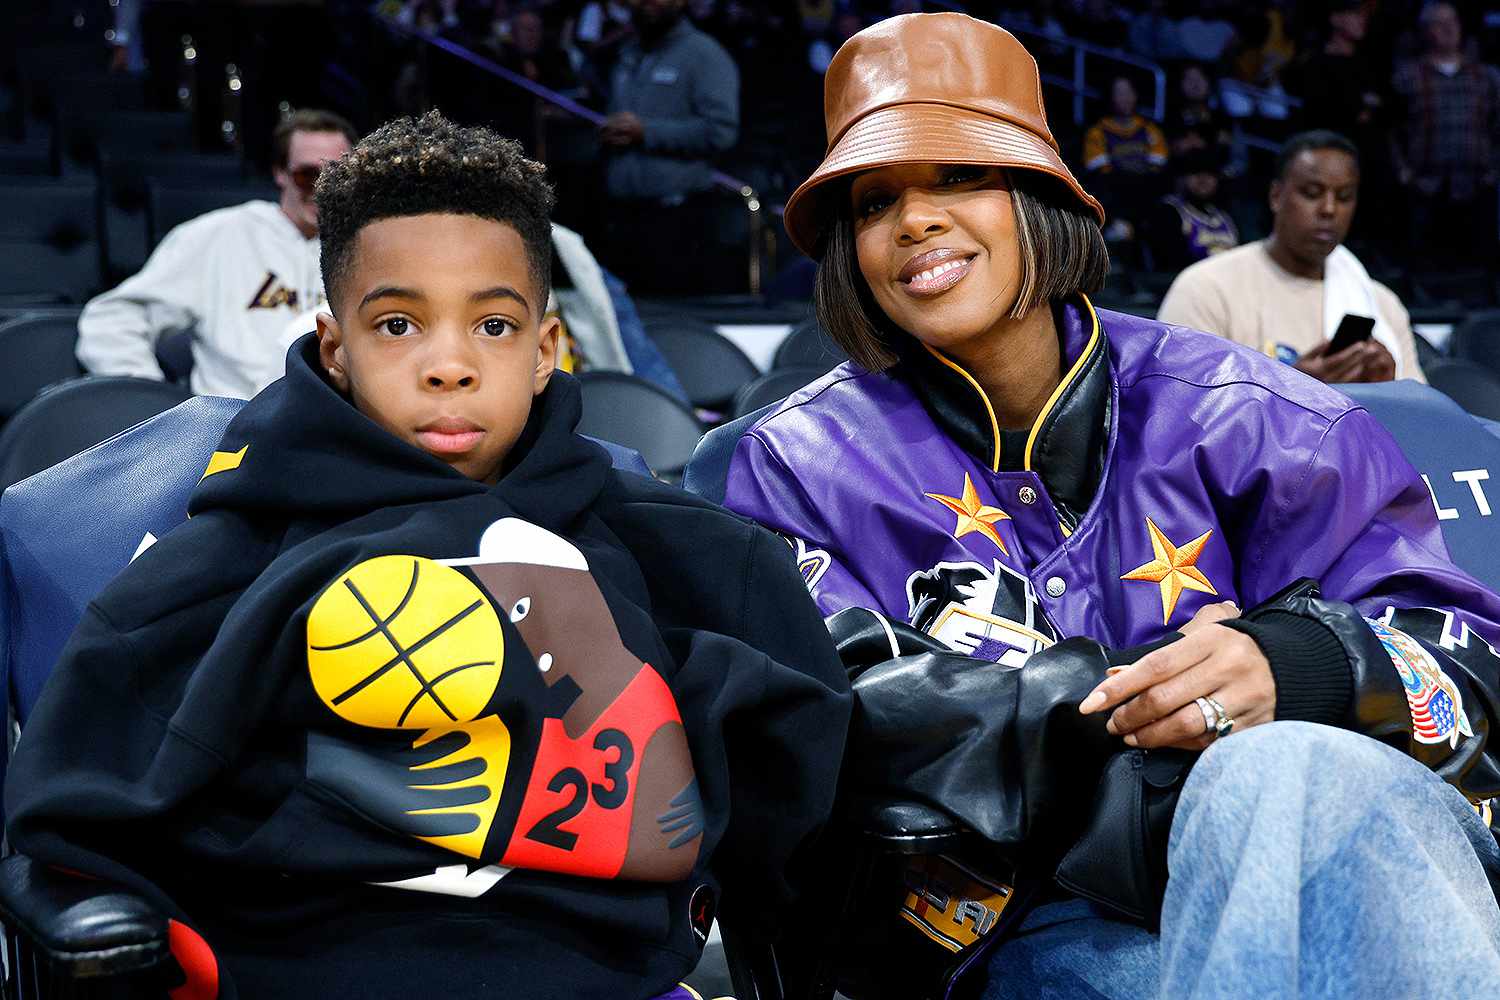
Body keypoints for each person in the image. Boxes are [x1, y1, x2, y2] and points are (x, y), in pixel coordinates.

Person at [720, 13, 1500, 998]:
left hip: (1328, 872)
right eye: (876, 203)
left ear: (1044, 196)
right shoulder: (794, 463)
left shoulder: (1255, 416)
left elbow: (1468, 661)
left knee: (1281, 777)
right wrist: (1148, 692)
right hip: (1017, 931)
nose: (915, 219)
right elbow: (820, 724)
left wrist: (1294, 664)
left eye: (960, 177)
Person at [6, 111, 848, 1000]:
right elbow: (74, 819)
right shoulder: (219, 559)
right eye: (399, 324)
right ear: (336, 349)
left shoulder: (681, 550)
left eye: (492, 326)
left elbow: (798, 824)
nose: (449, 364)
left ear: (545, 351)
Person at [75, 109, 357, 399]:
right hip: (231, 424)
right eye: (307, 175)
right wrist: (156, 405)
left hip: (330, 429)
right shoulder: (218, 235)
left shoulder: (363, 246)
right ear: (280, 173)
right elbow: (112, 320)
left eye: (335, 176)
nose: (321, 190)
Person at [1159, 130, 1425, 384]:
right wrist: (1296, 394)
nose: (1329, 209)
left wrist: (1386, 391)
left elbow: (1419, 418)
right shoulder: (1205, 288)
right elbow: (1181, 410)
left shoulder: (1382, 304)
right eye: (1312, 193)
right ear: (1276, 196)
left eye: (1344, 197)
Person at [597, 0, 739, 293]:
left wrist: (647, 132)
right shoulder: (626, 54)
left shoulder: (704, 54)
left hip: (676, 220)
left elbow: (721, 131)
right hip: (619, 217)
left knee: (670, 323)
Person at [1391, 1, 1500, 266]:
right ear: (1425, 31)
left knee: (1477, 266)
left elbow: (1497, 125)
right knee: (1429, 266)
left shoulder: (1486, 76)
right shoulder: (1407, 77)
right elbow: (1393, 130)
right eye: (1439, 23)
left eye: (1453, 22)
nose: (1449, 29)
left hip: (1477, 184)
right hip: (1426, 186)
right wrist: (1404, 171)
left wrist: (1494, 170)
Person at [1143, 148, 1238, 273]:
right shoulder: (1169, 211)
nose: (1203, 179)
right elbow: (1172, 262)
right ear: (1182, 178)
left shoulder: (1224, 216)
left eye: (1210, 174)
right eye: (1195, 172)